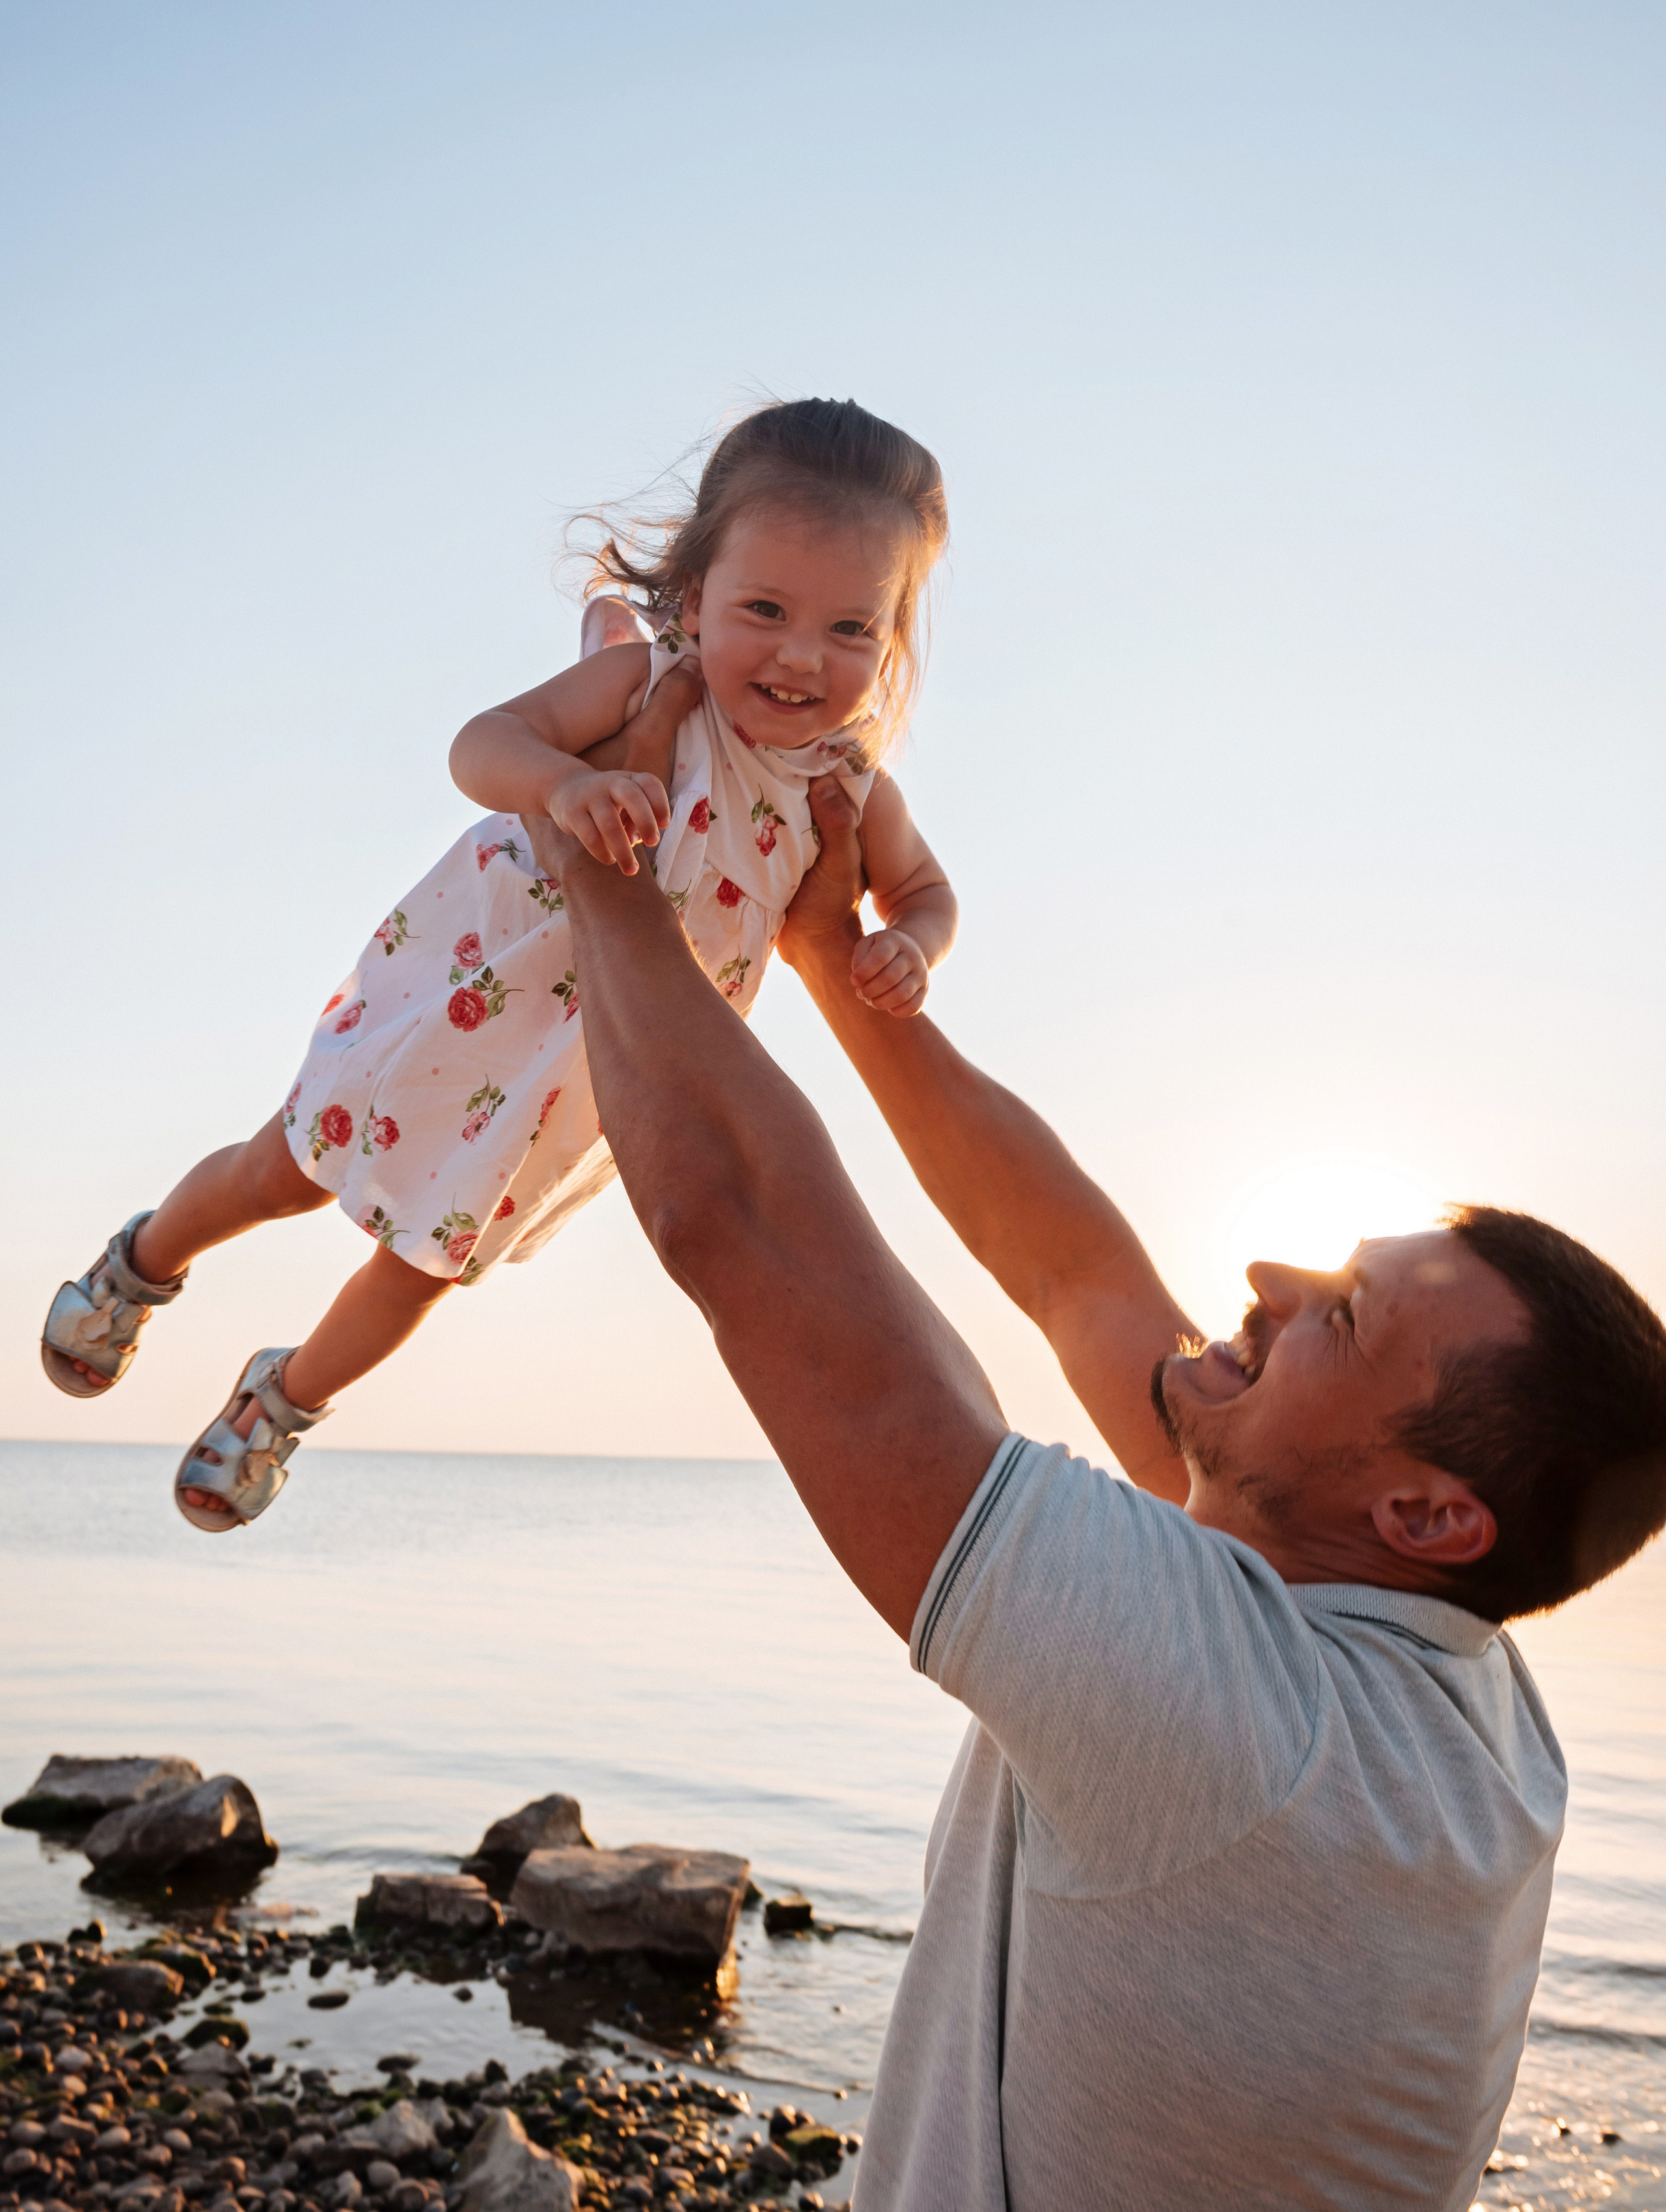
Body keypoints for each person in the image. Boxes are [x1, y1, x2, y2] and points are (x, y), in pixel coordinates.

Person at [515, 775, 1666, 2212]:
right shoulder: (1459, 1698)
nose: (1267, 1283)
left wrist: (593, 853)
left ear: (1427, 1518)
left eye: (1343, 1316)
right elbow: (1075, 1277)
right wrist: (831, 958)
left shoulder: (1243, 1736)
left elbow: (737, 1226)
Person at [40, 398, 957, 1534]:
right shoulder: (638, 685)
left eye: (852, 630)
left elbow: (924, 892)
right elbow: (483, 743)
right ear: (694, 594)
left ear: (894, 634)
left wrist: (908, 942)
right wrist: (563, 784)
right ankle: (142, 1262)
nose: (801, 656)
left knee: (425, 1263)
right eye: (764, 609)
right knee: (283, 1167)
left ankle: (282, 1400)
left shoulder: (851, 787)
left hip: (579, 1073)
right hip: (470, 986)